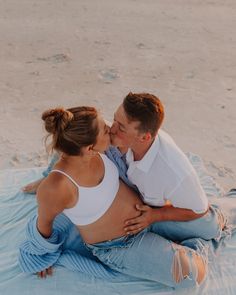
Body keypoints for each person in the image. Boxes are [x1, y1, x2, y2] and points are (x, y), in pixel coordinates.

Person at [33, 105, 207, 288]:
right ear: (90, 148)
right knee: (192, 276)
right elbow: (44, 224)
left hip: (148, 214)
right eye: (107, 131)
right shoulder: (56, 188)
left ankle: (170, 245)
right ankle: (169, 248)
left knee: (207, 226)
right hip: (120, 245)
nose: (113, 131)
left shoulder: (91, 147)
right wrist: (41, 254)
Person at [109, 92, 226, 241]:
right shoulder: (126, 137)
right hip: (154, 192)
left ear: (145, 137)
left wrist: (155, 216)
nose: (112, 129)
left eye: (121, 128)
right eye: (114, 119)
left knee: (210, 228)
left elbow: (198, 210)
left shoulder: (172, 172)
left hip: (194, 210)